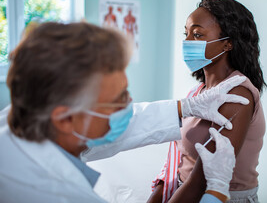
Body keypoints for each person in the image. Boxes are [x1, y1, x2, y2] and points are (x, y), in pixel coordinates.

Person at [0, 22, 248, 202]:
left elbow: (121, 122)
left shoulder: (27, 113)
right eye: (118, 100)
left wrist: (184, 107)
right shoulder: (53, 194)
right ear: (65, 118)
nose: (129, 105)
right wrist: (215, 192)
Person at [149, 0, 266, 203]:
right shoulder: (197, 93)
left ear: (228, 43)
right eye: (186, 34)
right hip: (181, 191)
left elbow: (200, 182)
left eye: (197, 34)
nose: (187, 42)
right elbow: (177, 162)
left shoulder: (237, 94)